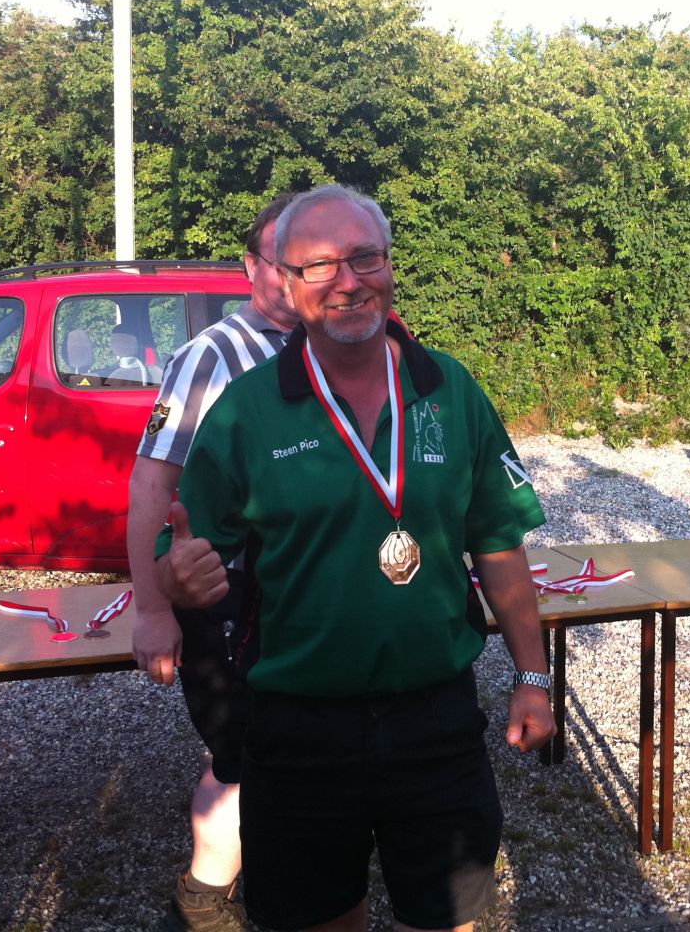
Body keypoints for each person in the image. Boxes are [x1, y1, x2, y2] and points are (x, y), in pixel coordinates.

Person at [156, 184, 555, 932]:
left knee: (449, 918)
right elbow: (178, 546)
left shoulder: (451, 390)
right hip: (298, 728)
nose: (347, 281)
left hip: (436, 720)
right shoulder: (247, 410)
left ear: (390, 265)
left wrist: (533, 678)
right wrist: (176, 579)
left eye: (365, 257)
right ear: (285, 282)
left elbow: (499, 542)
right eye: (319, 265)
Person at [129, 192, 300, 931]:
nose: (295, 277)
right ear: (250, 267)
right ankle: (204, 899)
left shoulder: (335, 346)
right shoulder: (212, 356)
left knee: (290, 745)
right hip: (228, 598)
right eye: (280, 261)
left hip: (300, 598)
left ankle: (279, 880)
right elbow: (151, 483)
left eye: (311, 262)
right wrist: (151, 608)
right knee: (241, 751)